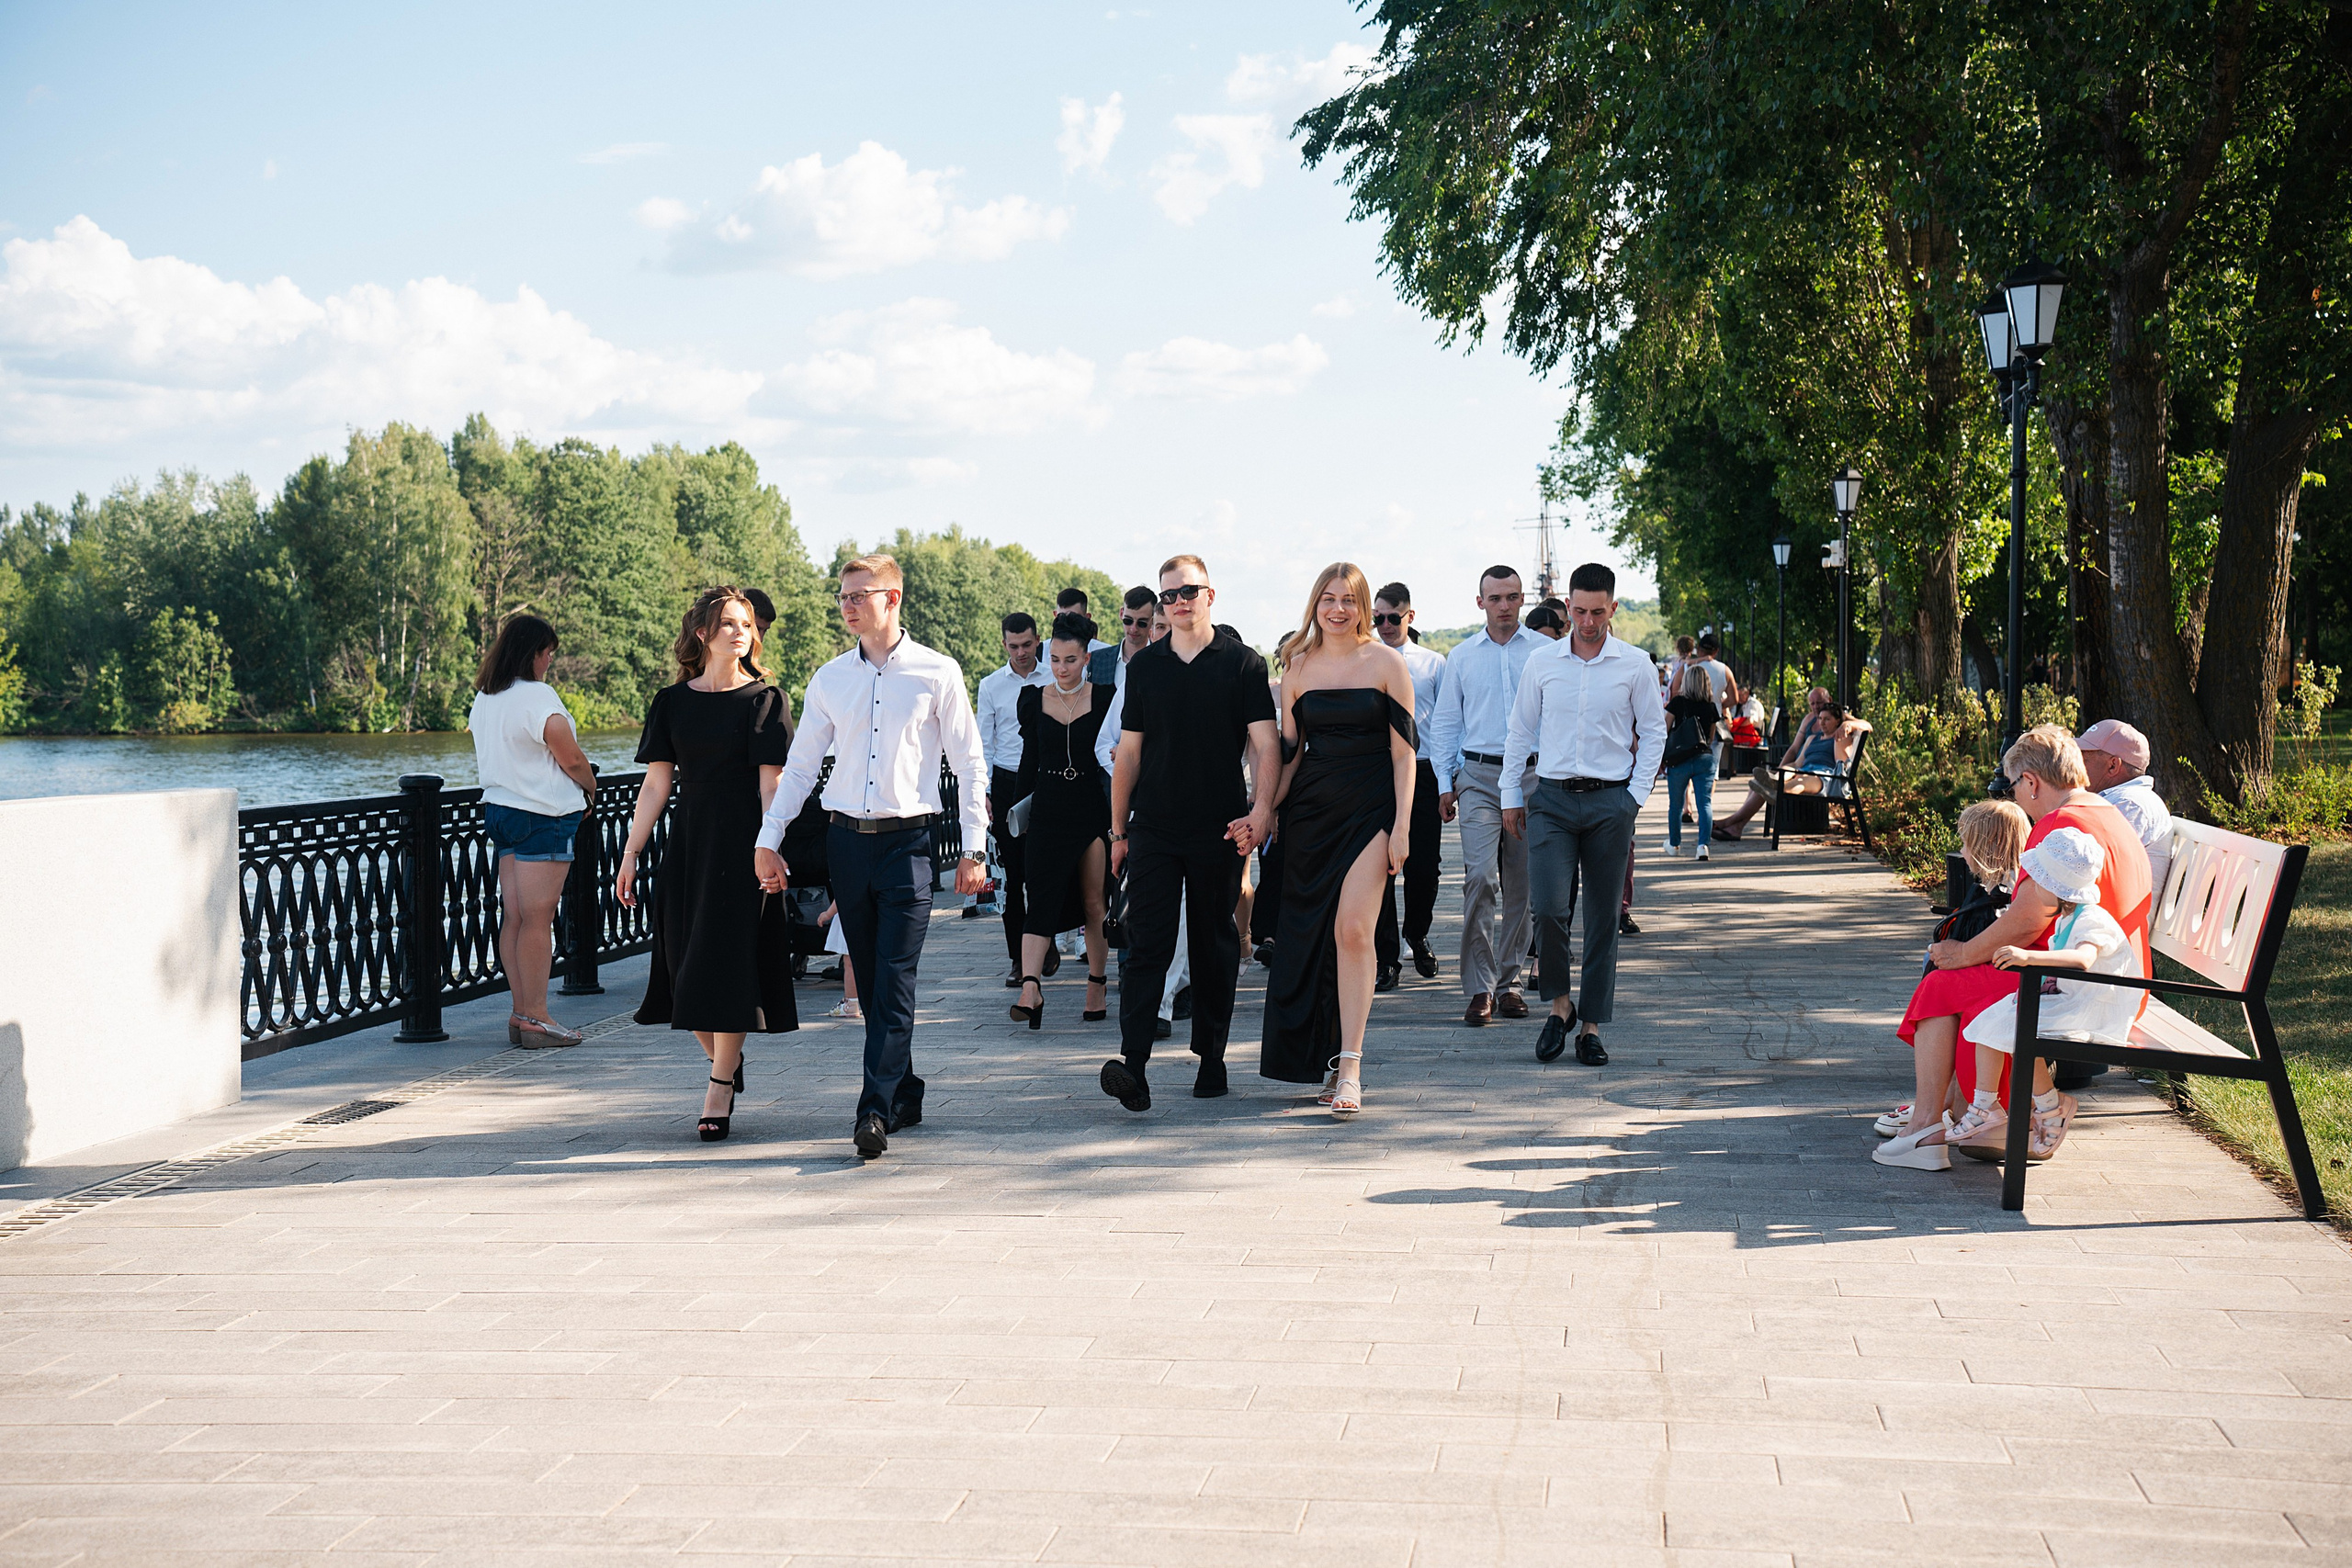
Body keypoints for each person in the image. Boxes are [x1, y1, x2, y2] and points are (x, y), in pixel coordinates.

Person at [752, 554, 989, 1160]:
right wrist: (767, 837)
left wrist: (975, 848)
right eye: (843, 596)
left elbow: (968, 763)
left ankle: (873, 1110)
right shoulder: (831, 679)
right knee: (878, 977)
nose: (848, 605)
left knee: (894, 977)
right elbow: (802, 765)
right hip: (847, 845)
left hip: (911, 844)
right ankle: (905, 1087)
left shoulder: (939, 673)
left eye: (859, 594)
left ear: (894, 598)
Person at [1875, 726, 2153, 1169]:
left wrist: (1966, 954)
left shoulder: (2057, 827)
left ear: (2031, 781)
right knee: (1959, 982)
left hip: (2082, 982)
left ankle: (1930, 1125)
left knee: (1942, 985)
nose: (2015, 797)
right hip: (2115, 979)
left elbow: (2028, 921)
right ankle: (1964, 1112)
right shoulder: (2104, 812)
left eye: (2014, 785)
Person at [1100, 555, 1280, 1111]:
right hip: (1152, 824)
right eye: (1169, 596)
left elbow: (1267, 745)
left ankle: (1213, 1058)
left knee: (1212, 942)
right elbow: (1127, 752)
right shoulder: (1145, 667)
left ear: (1210, 595)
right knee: (1146, 942)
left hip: (1219, 827)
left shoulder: (1243, 665)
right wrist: (1117, 831)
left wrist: (1261, 812)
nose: (1179, 602)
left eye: (1188, 592)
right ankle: (1134, 1064)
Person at [617, 587, 798, 1141]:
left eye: (747, 625)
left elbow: (773, 785)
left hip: (743, 843)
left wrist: (771, 847)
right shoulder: (672, 702)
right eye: (728, 624)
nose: (741, 633)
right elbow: (656, 783)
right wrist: (631, 852)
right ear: (703, 633)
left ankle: (719, 1085)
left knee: (730, 966)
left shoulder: (766, 700)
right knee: (683, 966)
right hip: (690, 844)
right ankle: (728, 1060)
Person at [1258, 563, 1419, 1115]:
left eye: (1349, 600)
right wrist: (1262, 812)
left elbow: (1404, 754)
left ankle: (1350, 1064)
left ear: (1364, 606)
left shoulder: (1387, 663)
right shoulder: (1297, 667)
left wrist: (1401, 827)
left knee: (1354, 929)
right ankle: (1324, 1059)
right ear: (1315, 604)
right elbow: (1292, 752)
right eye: (1328, 598)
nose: (1338, 609)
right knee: (1309, 939)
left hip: (1372, 809)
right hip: (1311, 815)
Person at [1501, 562, 1666, 1066]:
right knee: (1548, 909)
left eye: (1597, 612)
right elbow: (1519, 730)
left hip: (1610, 801)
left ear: (1613, 608)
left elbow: (1655, 732)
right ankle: (1559, 1005)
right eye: (1579, 611)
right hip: (1550, 799)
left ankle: (1590, 1025)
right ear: (1567, 606)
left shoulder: (1635, 665)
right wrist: (1511, 793)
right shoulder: (1544, 662)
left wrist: (1634, 796)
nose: (1588, 622)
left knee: (1601, 917)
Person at [1947, 829, 2143, 1153]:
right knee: (1988, 1021)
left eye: (2039, 879)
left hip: (2096, 1009)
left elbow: (2082, 959)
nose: (2033, 886)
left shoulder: (2093, 920)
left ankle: (2046, 1109)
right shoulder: (2068, 917)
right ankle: (1985, 1107)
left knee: (2016, 1027)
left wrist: (2028, 958)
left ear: (2056, 886)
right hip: (2075, 998)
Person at [468, 614, 599, 1050]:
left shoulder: (486, 697)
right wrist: (591, 788)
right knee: (539, 919)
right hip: (543, 815)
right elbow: (570, 755)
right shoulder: (537, 696)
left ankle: (520, 1012)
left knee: (517, 916)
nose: (549, 663)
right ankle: (539, 1017)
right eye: (547, 654)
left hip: (502, 812)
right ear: (533, 653)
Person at [1872, 798, 2029, 1144]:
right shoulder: (2011, 887)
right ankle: (1937, 1105)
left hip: (2011, 984)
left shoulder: (2002, 898)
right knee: (1940, 983)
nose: (1962, 851)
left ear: (1986, 848)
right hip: (2011, 979)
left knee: (1939, 988)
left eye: (1966, 844)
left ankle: (1934, 1109)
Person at [1429, 566, 1542, 1027]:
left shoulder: (1545, 652)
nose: (1505, 606)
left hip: (1533, 777)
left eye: (1513, 597)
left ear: (1522, 600)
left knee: (1521, 883)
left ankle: (1509, 983)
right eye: (1495, 598)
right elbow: (1445, 724)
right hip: (1476, 776)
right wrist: (1443, 783)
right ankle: (1479, 986)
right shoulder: (1461, 657)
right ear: (1481, 602)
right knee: (1480, 877)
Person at [1009, 612, 1117, 1029]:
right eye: (1054, 659)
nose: (1061, 668)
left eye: (1069, 660)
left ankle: (1096, 983)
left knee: (1094, 902)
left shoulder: (1106, 698)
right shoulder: (1033, 701)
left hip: (1090, 809)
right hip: (1048, 809)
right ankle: (1031, 987)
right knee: (1040, 898)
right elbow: (1027, 763)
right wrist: (1014, 816)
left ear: (1086, 658)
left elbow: (1118, 758)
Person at [1370, 581, 1447, 987]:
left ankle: (1416, 931)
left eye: (1392, 618)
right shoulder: (1364, 659)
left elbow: (1451, 724)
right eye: (1377, 618)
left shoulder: (1433, 664)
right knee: (1380, 866)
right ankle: (1386, 958)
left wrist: (1451, 779)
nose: (1384, 625)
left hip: (1424, 770)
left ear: (1409, 617)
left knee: (1424, 867)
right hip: (1377, 772)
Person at [977, 613, 1049, 986]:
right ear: (1003, 644)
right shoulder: (990, 686)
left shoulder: (1055, 675)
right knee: (1013, 875)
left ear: (1038, 640)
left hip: (1047, 780)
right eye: (1013, 646)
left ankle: (1044, 942)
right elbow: (983, 743)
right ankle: (1019, 960)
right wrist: (985, 792)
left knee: (1045, 870)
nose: (1021, 652)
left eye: (1027, 644)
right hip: (1007, 782)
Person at [1712, 689, 1869, 840]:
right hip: (1804, 769)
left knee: (1799, 780)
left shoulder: (1841, 735)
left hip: (1824, 775)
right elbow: (1796, 759)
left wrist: (1849, 725)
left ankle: (1738, 818)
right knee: (1784, 772)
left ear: (1837, 719)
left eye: (1827, 719)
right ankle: (1771, 784)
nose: (1822, 722)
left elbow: (1866, 727)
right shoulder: (1812, 738)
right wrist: (1782, 768)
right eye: (1820, 718)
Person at [2078, 719, 2174, 895]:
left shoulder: (2130, 804)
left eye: (2084, 759)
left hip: (2112, 919)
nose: (2075, 766)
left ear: (2113, 765)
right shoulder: (2124, 800)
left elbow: (2084, 867)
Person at [1659, 662, 1720, 860]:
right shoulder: (1711, 707)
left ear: (1687, 681)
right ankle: (1703, 846)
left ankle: (1675, 844)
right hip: (1704, 758)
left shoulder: (1677, 703)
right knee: (1705, 804)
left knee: (1676, 805)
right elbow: (1710, 737)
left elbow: (1664, 729)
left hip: (1680, 760)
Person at [1090, 585, 1157, 687]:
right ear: (1121, 613)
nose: (1133, 629)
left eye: (1142, 623)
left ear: (1153, 620)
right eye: (1128, 621)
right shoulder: (1097, 660)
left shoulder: (1162, 663)